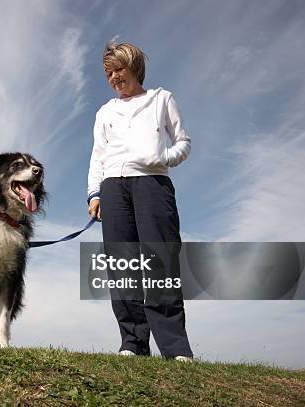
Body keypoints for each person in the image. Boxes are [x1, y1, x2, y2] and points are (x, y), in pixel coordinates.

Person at [87, 41, 193, 361]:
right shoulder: (105, 111)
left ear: (135, 67)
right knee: (122, 265)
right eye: (109, 73)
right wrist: (95, 193)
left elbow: (184, 143)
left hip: (153, 184)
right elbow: (98, 157)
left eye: (119, 69)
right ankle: (132, 343)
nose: (114, 77)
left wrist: (163, 157)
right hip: (113, 188)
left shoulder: (162, 99)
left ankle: (175, 348)